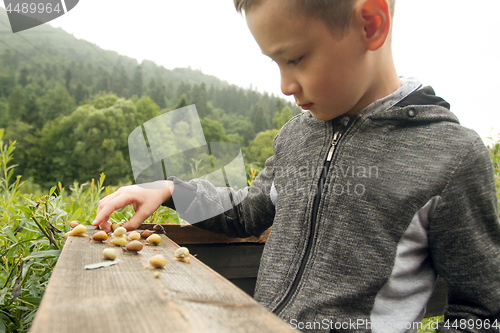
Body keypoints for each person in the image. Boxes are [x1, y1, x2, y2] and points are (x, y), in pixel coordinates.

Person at [93, 0, 500, 331]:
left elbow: (482, 309)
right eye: (275, 63)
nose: (285, 86)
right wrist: (170, 189)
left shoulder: (452, 155)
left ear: (371, 24)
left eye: (296, 59)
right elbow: (249, 212)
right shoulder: (296, 136)